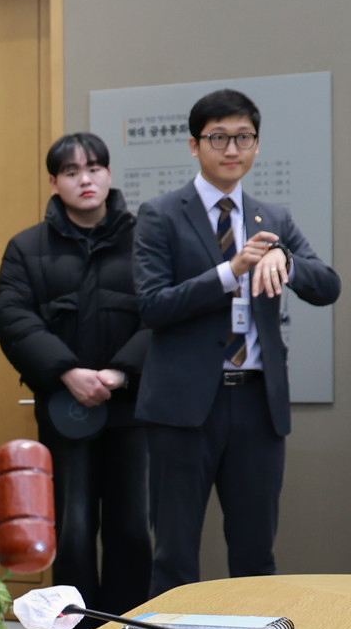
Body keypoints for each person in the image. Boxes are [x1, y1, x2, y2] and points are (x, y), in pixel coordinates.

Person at [133, 89, 341, 595]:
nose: (232, 149)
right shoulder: (160, 214)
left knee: (254, 549)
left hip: (256, 401)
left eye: (243, 138)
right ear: (194, 144)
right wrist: (231, 271)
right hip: (183, 408)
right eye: (219, 138)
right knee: (175, 549)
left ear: (256, 144)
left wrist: (287, 263)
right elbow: (152, 306)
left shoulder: (273, 218)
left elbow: (327, 285)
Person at [0, 132, 151, 629]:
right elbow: (13, 316)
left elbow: (165, 314)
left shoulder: (146, 238)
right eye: (71, 171)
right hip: (65, 413)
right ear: (54, 182)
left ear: (108, 174)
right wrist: (67, 371)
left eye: (95, 168)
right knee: (74, 530)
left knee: (131, 529)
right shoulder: (26, 247)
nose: (85, 179)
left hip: (132, 411)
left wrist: (120, 371)